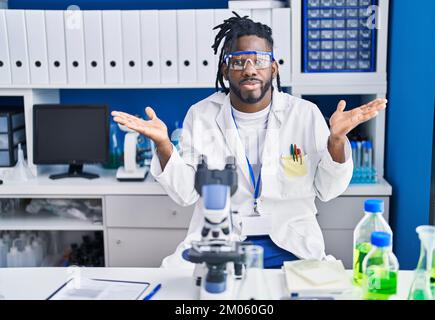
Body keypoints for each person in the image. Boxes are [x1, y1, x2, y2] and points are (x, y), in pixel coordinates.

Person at [112, 13, 387, 269]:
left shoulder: (304, 114)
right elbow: (186, 194)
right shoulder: (201, 115)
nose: (250, 69)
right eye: (239, 60)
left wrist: (337, 141)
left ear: (274, 69)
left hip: (292, 244)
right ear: (225, 69)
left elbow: (329, 189)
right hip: (220, 240)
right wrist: (163, 146)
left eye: (259, 60)